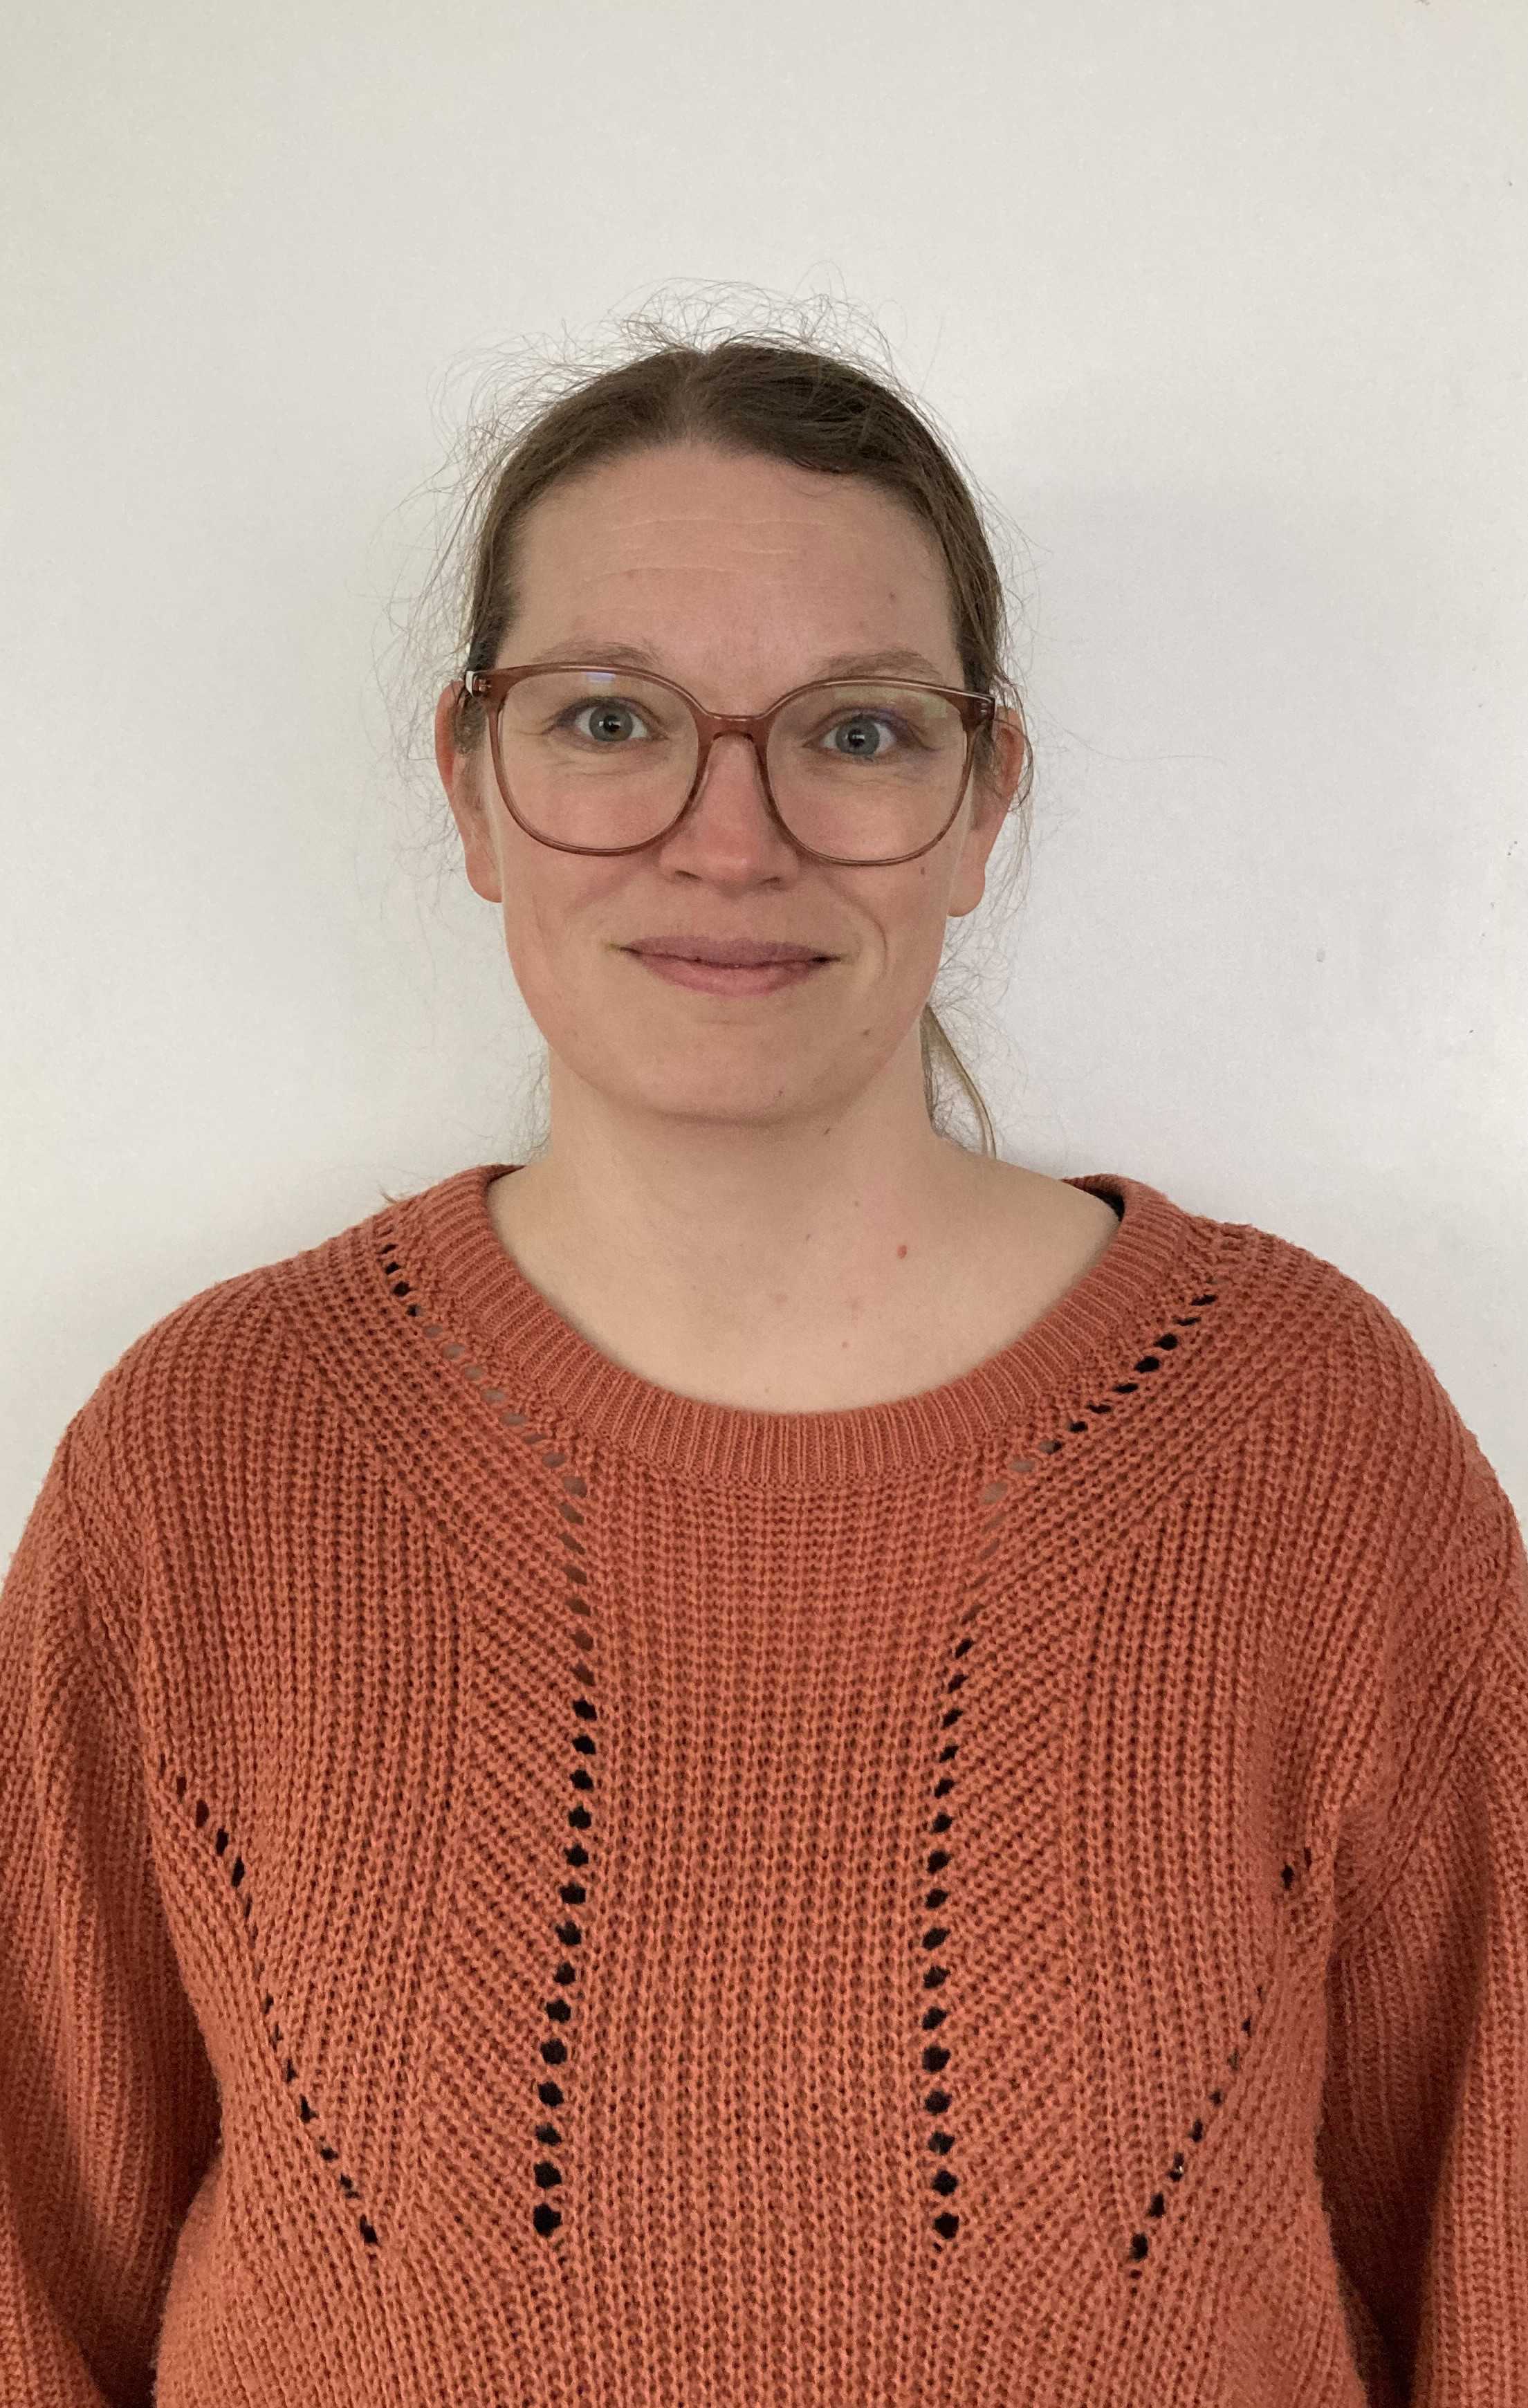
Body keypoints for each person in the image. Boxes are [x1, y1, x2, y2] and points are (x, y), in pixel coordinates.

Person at [2, 325, 1525, 2408]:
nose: (732, 839)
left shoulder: (1307, 1439)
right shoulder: (211, 1455)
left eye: (858, 731)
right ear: (472, 781)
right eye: (611, 718)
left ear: (981, 802)